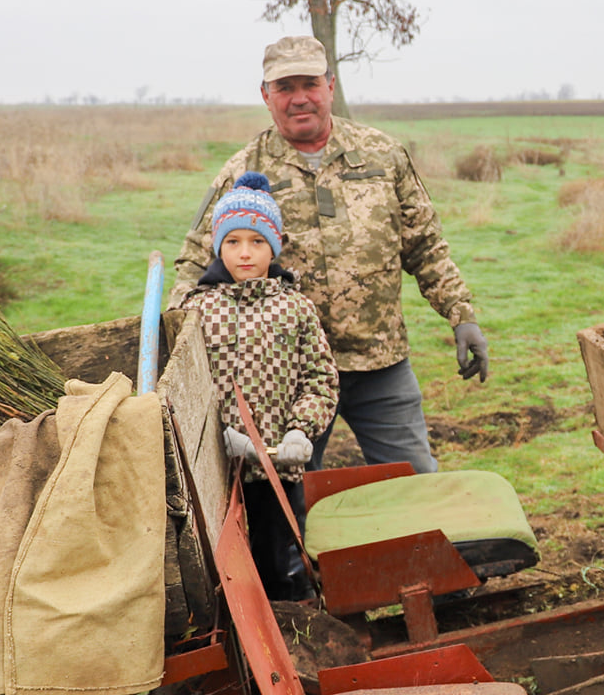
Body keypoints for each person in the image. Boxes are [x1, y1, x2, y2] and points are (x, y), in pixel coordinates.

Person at [173, 36, 487, 474]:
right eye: (284, 87)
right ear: (265, 96)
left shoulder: (384, 155)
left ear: (331, 86)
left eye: (310, 84)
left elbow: (425, 245)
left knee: (417, 482)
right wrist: (178, 344)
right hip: (282, 373)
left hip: (380, 364)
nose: (299, 98)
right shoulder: (243, 173)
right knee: (285, 502)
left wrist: (462, 314)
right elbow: (194, 265)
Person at [180, 172, 339, 601]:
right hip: (216, 470)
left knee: (278, 560)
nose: (245, 253)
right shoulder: (196, 311)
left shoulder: (296, 308)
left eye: (257, 242)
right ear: (217, 246)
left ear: (275, 245)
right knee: (225, 567)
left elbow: (320, 379)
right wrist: (218, 437)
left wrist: (300, 431)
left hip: (276, 468)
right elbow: (183, 388)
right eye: (233, 243)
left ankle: (290, 631)